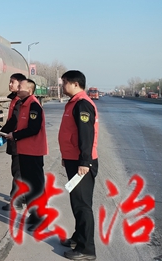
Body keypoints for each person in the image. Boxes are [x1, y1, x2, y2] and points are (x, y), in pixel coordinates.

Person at [58, 70, 98, 260]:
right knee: (77, 203)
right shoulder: (74, 102)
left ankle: (86, 249)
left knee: (82, 205)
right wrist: (66, 157)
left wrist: (84, 162)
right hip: (73, 159)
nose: (62, 86)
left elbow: (86, 135)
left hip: (81, 162)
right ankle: (78, 238)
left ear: (75, 84)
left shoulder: (82, 104)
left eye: (64, 82)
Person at [3, 78, 47, 231]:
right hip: (24, 150)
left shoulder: (33, 105)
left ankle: (40, 218)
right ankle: (34, 215)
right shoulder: (23, 104)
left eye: (20, 87)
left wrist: (15, 135)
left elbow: (33, 129)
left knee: (36, 186)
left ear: (29, 90)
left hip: (33, 151)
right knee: (28, 185)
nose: (17, 89)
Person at [0, 72, 27, 211]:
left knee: (18, 172)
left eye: (13, 82)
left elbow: (14, 122)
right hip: (15, 140)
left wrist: (2, 134)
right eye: (10, 81)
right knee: (19, 171)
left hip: (18, 141)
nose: (10, 84)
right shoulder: (15, 99)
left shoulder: (20, 101)